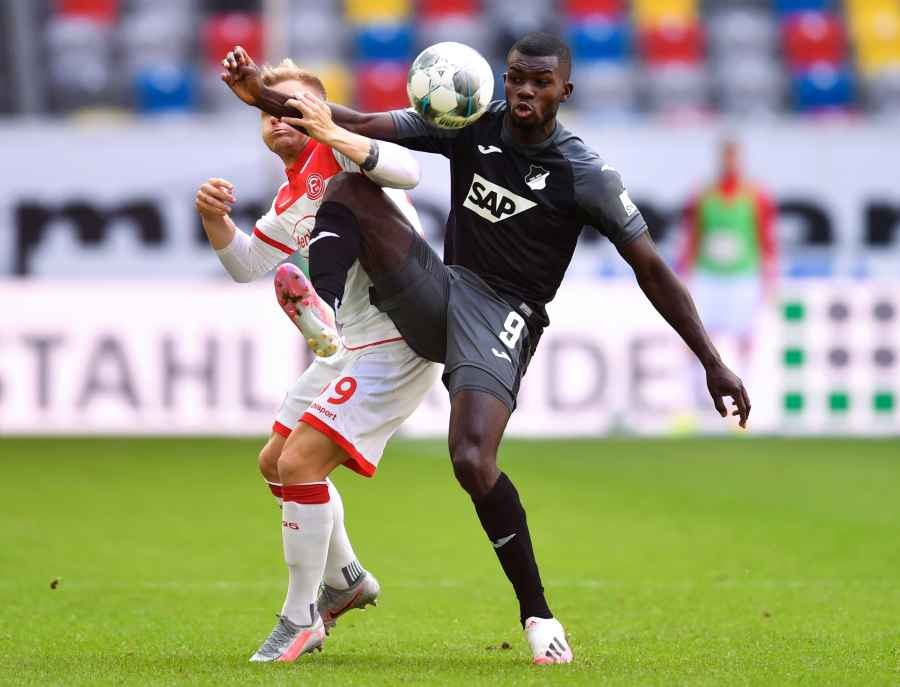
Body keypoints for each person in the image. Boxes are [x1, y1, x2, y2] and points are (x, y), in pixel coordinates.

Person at [221, 33, 751, 666]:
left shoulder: (585, 174)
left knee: (471, 460)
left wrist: (712, 361)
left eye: (540, 82)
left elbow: (653, 270)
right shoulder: (472, 122)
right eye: (517, 79)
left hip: (506, 314)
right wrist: (263, 93)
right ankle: (324, 309)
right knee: (353, 186)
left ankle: (537, 613)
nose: (525, 91)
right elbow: (356, 121)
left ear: (565, 91)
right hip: (443, 289)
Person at [196, 58, 440, 662]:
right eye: (269, 107)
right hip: (351, 339)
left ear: (321, 112)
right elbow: (248, 266)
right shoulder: (290, 195)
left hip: (399, 333)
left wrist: (334, 131)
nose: (279, 116)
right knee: (276, 463)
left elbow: (409, 171)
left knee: (303, 459)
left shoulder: (346, 156)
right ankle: (348, 578)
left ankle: (301, 615)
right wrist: (214, 220)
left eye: (293, 104)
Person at [679, 137, 777, 379]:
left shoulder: (756, 196)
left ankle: (744, 398)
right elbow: (693, 236)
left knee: (744, 339)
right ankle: (692, 398)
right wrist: (684, 272)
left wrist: (770, 277)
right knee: (696, 336)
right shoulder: (703, 195)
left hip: (743, 277)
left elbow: (766, 239)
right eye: (726, 156)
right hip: (708, 276)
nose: (730, 162)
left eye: (734, 157)